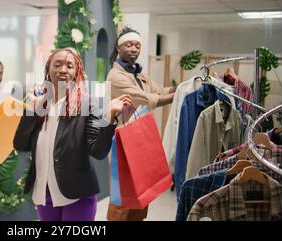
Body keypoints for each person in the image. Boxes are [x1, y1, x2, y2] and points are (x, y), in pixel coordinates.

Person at [13, 47, 133, 221]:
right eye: (58, 64)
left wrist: (110, 117)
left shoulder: (87, 104)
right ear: (48, 69)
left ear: (76, 72)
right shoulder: (41, 105)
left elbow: (98, 152)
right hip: (45, 192)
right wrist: (33, 111)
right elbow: (20, 144)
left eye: (69, 66)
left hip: (77, 193)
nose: (63, 69)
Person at [106, 26, 176, 221]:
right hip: (124, 140)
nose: (134, 49)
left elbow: (160, 90)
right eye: (129, 45)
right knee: (122, 196)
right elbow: (146, 98)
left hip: (142, 139)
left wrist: (182, 88)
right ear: (119, 48)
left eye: (137, 45)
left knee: (142, 191)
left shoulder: (139, 75)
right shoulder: (116, 76)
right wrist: (174, 97)